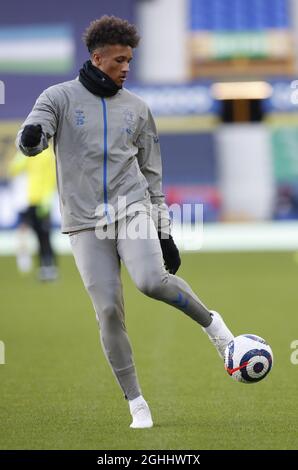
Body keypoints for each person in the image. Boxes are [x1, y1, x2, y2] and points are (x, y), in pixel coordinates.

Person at [16, 16, 234, 428]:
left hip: (132, 210)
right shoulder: (57, 97)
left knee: (152, 281)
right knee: (110, 312)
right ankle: (137, 402)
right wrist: (30, 139)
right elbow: (35, 134)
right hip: (83, 222)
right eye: (119, 59)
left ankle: (215, 327)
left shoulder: (138, 109)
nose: (126, 67)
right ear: (97, 58)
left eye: (130, 60)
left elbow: (152, 176)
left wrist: (164, 231)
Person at [9, 147, 58, 281]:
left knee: (44, 235)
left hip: (42, 202)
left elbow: (52, 178)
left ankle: (49, 266)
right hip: (30, 201)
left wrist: (47, 199)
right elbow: (14, 169)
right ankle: (43, 266)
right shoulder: (28, 155)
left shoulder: (47, 156)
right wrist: (22, 154)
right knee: (37, 236)